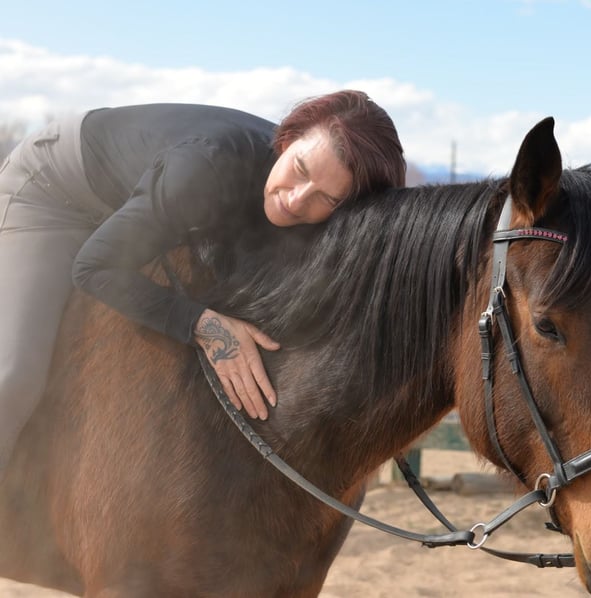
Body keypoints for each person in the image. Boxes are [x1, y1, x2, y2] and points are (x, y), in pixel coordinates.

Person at [0, 90, 406, 472]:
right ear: (289, 139)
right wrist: (206, 327)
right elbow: (95, 267)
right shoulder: (205, 169)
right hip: (54, 193)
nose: (297, 200)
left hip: (142, 199)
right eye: (299, 170)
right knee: (14, 375)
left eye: (328, 199)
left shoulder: (297, 195)